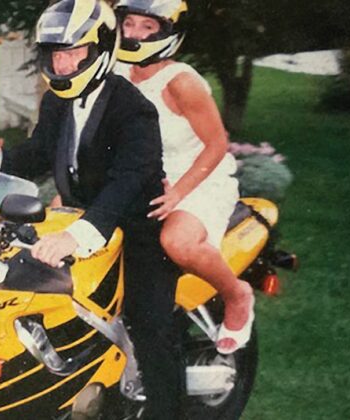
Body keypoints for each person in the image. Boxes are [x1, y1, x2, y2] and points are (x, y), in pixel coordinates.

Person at [0, 0, 182, 417]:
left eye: (72, 52)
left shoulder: (133, 109)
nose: (62, 63)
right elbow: (37, 154)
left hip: (136, 232)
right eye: (54, 53)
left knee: (150, 326)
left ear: (99, 48)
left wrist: (73, 235)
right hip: (81, 221)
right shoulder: (58, 101)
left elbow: (125, 185)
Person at [113, 0, 255, 355]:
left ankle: (237, 295)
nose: (134, 34)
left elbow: (218, 143)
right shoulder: (115, 72)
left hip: (198, 177)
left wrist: (178, 193)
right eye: (128, 23)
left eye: (148, 27)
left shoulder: (181, 82)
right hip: (144, 173)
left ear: (168, 32)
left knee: (178, 242)